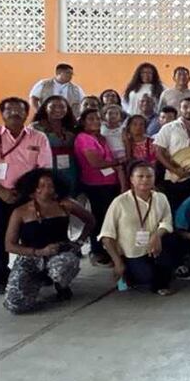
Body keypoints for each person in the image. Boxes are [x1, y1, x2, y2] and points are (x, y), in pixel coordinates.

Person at [0, 97, 53, 294]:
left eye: (20, 110)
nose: (15, 113)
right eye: (9, 110)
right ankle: (0, 277)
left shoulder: (38, 137)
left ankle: (35, 273)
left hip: (29, 196)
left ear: (27, 114)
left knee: (33, 235)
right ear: (2, 113)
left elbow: (44, 168)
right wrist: (1, 191)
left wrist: (31, 193)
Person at [3, 169, 94, 313]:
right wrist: (38, 252)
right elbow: (9, 245)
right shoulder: (20, 212)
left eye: (50, 185)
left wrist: (79, 242)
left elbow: (90, 220)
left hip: (60, 253)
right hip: (30, 257)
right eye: (41, 186)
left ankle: (61, 285)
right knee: (15, 305)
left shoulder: (65, 204)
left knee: (61, 268)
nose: (46, 190)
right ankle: (37, 280)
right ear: (33, 189)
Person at [100, 161, 179, 296]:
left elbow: (167, 222)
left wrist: (157, 236)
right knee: (145, 278)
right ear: (131, 179)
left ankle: (161, 280)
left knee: (173, 241)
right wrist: (117, 262)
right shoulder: (120, 202)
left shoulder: (160, 198)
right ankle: (129, 272)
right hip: (132, 251)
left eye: (149, 176)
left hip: (154, 247)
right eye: (140, 176)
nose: (145, 180)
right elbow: (106, 236)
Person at [73, 108, 122, 266]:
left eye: (97, 118)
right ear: (83, 122)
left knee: (109, 218)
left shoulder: (100, 137)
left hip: (109, 183)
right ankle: (97, 252)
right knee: (99, 218)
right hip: (96, 184)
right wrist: (118, 163)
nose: (95, 121)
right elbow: (96, 163)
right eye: (91, 119)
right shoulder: (84, 138)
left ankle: (109, 249)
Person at [33, 98, 79, 202]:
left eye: (62, 107)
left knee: (69, 199)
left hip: (70, 169)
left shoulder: (72, 126)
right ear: (45, 108)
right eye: (53, 106)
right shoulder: (36, 127)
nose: (58, 109)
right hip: (48, 167)